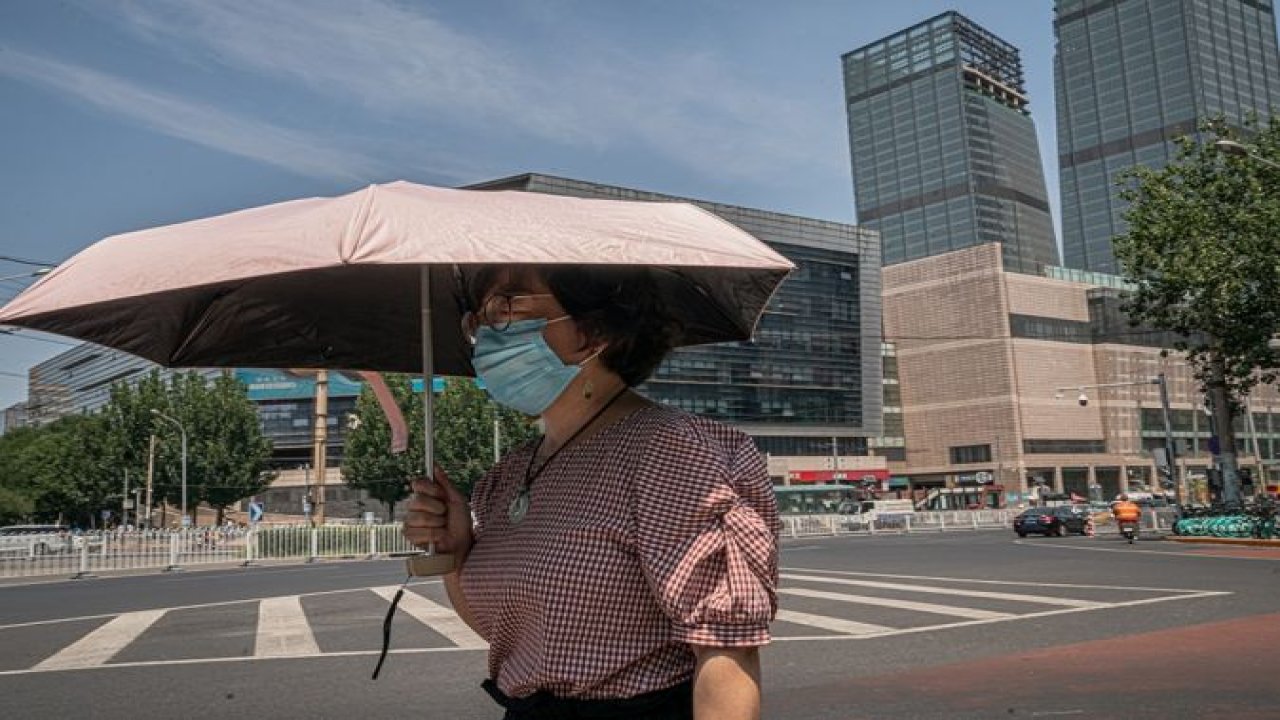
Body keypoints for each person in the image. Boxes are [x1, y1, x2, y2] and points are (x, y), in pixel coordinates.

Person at [404, 265, 779, 720]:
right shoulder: (511, 472)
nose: (485, 332)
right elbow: (516, 639)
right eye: (478, 317)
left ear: (593, 330)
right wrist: (456, 553)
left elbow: (725, 653)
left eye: (507, 306)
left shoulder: (669, 450)